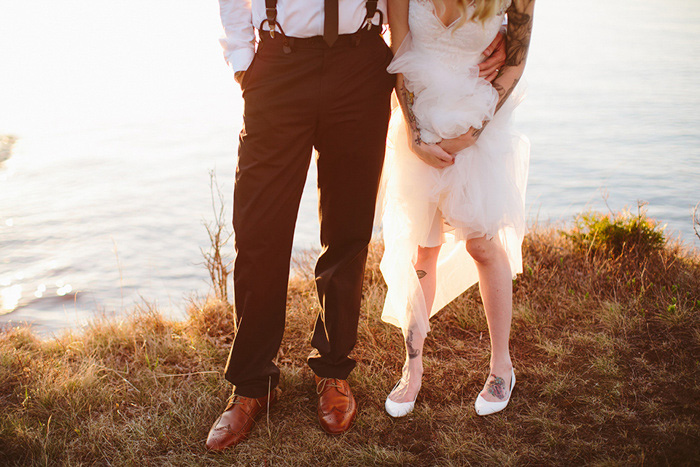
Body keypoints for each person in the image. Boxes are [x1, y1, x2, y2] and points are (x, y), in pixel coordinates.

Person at [206, 0, 507, 451]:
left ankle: (332, 369)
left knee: (348, 231)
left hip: (361, 63)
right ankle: (252, 384)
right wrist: (243, 64)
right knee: (259, 232)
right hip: (278, 65)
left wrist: (489, 31)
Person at [380, 0, 534, 418]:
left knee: (482, 245)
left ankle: (502, 366)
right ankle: (412, 369)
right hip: (419, 122)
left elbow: (515, 64)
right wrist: (414, 134)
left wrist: (472, 132)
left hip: (476, 122)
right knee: (422, 249)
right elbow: (400, 57)